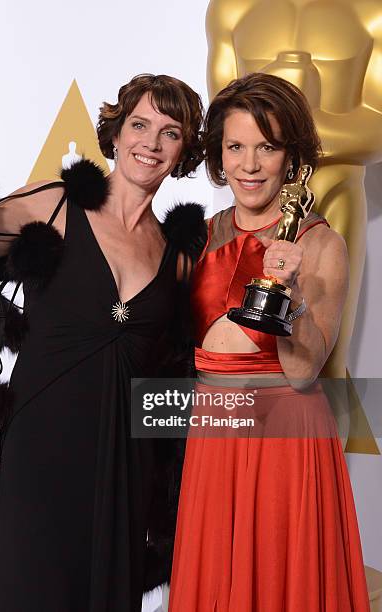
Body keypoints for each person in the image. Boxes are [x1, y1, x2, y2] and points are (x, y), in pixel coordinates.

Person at [0, 74, 205, 612]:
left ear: (184, 151)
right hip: (44, 438)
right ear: (115, 133)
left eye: (171, 132)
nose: (151, 143)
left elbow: (175, 372)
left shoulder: (177, 253)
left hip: (128, 456)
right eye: (139, 124)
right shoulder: (56, 204)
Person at [169, 73, 370, 611]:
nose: (250, 165)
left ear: (291, 155)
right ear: (218, 154)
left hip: (285, 435)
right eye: (235, 147)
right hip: (213, 429)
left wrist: (290, 292)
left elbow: (305, 371)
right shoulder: (200, 234)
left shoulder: (319, 242)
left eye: (267, 147)